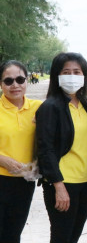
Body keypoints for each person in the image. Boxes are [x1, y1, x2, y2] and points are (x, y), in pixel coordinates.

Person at [36, 52, 87, 243]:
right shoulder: (50, 107)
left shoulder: (86, 104)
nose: (72, 76)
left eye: (77, 72)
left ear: (84, 76)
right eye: (66, 71)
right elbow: (45, 149)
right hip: (63, 183)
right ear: (56, 76)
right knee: (61, 237)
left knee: (74, 236)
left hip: (86, 183)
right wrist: (58, 186)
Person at [0, 60, 42, 243]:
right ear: (1, 84)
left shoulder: (39, 108)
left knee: (13, 233)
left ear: (27, 80)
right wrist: (2, 160)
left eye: (19, 79)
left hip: (24, 182)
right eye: (8, 81)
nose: (15, 85)